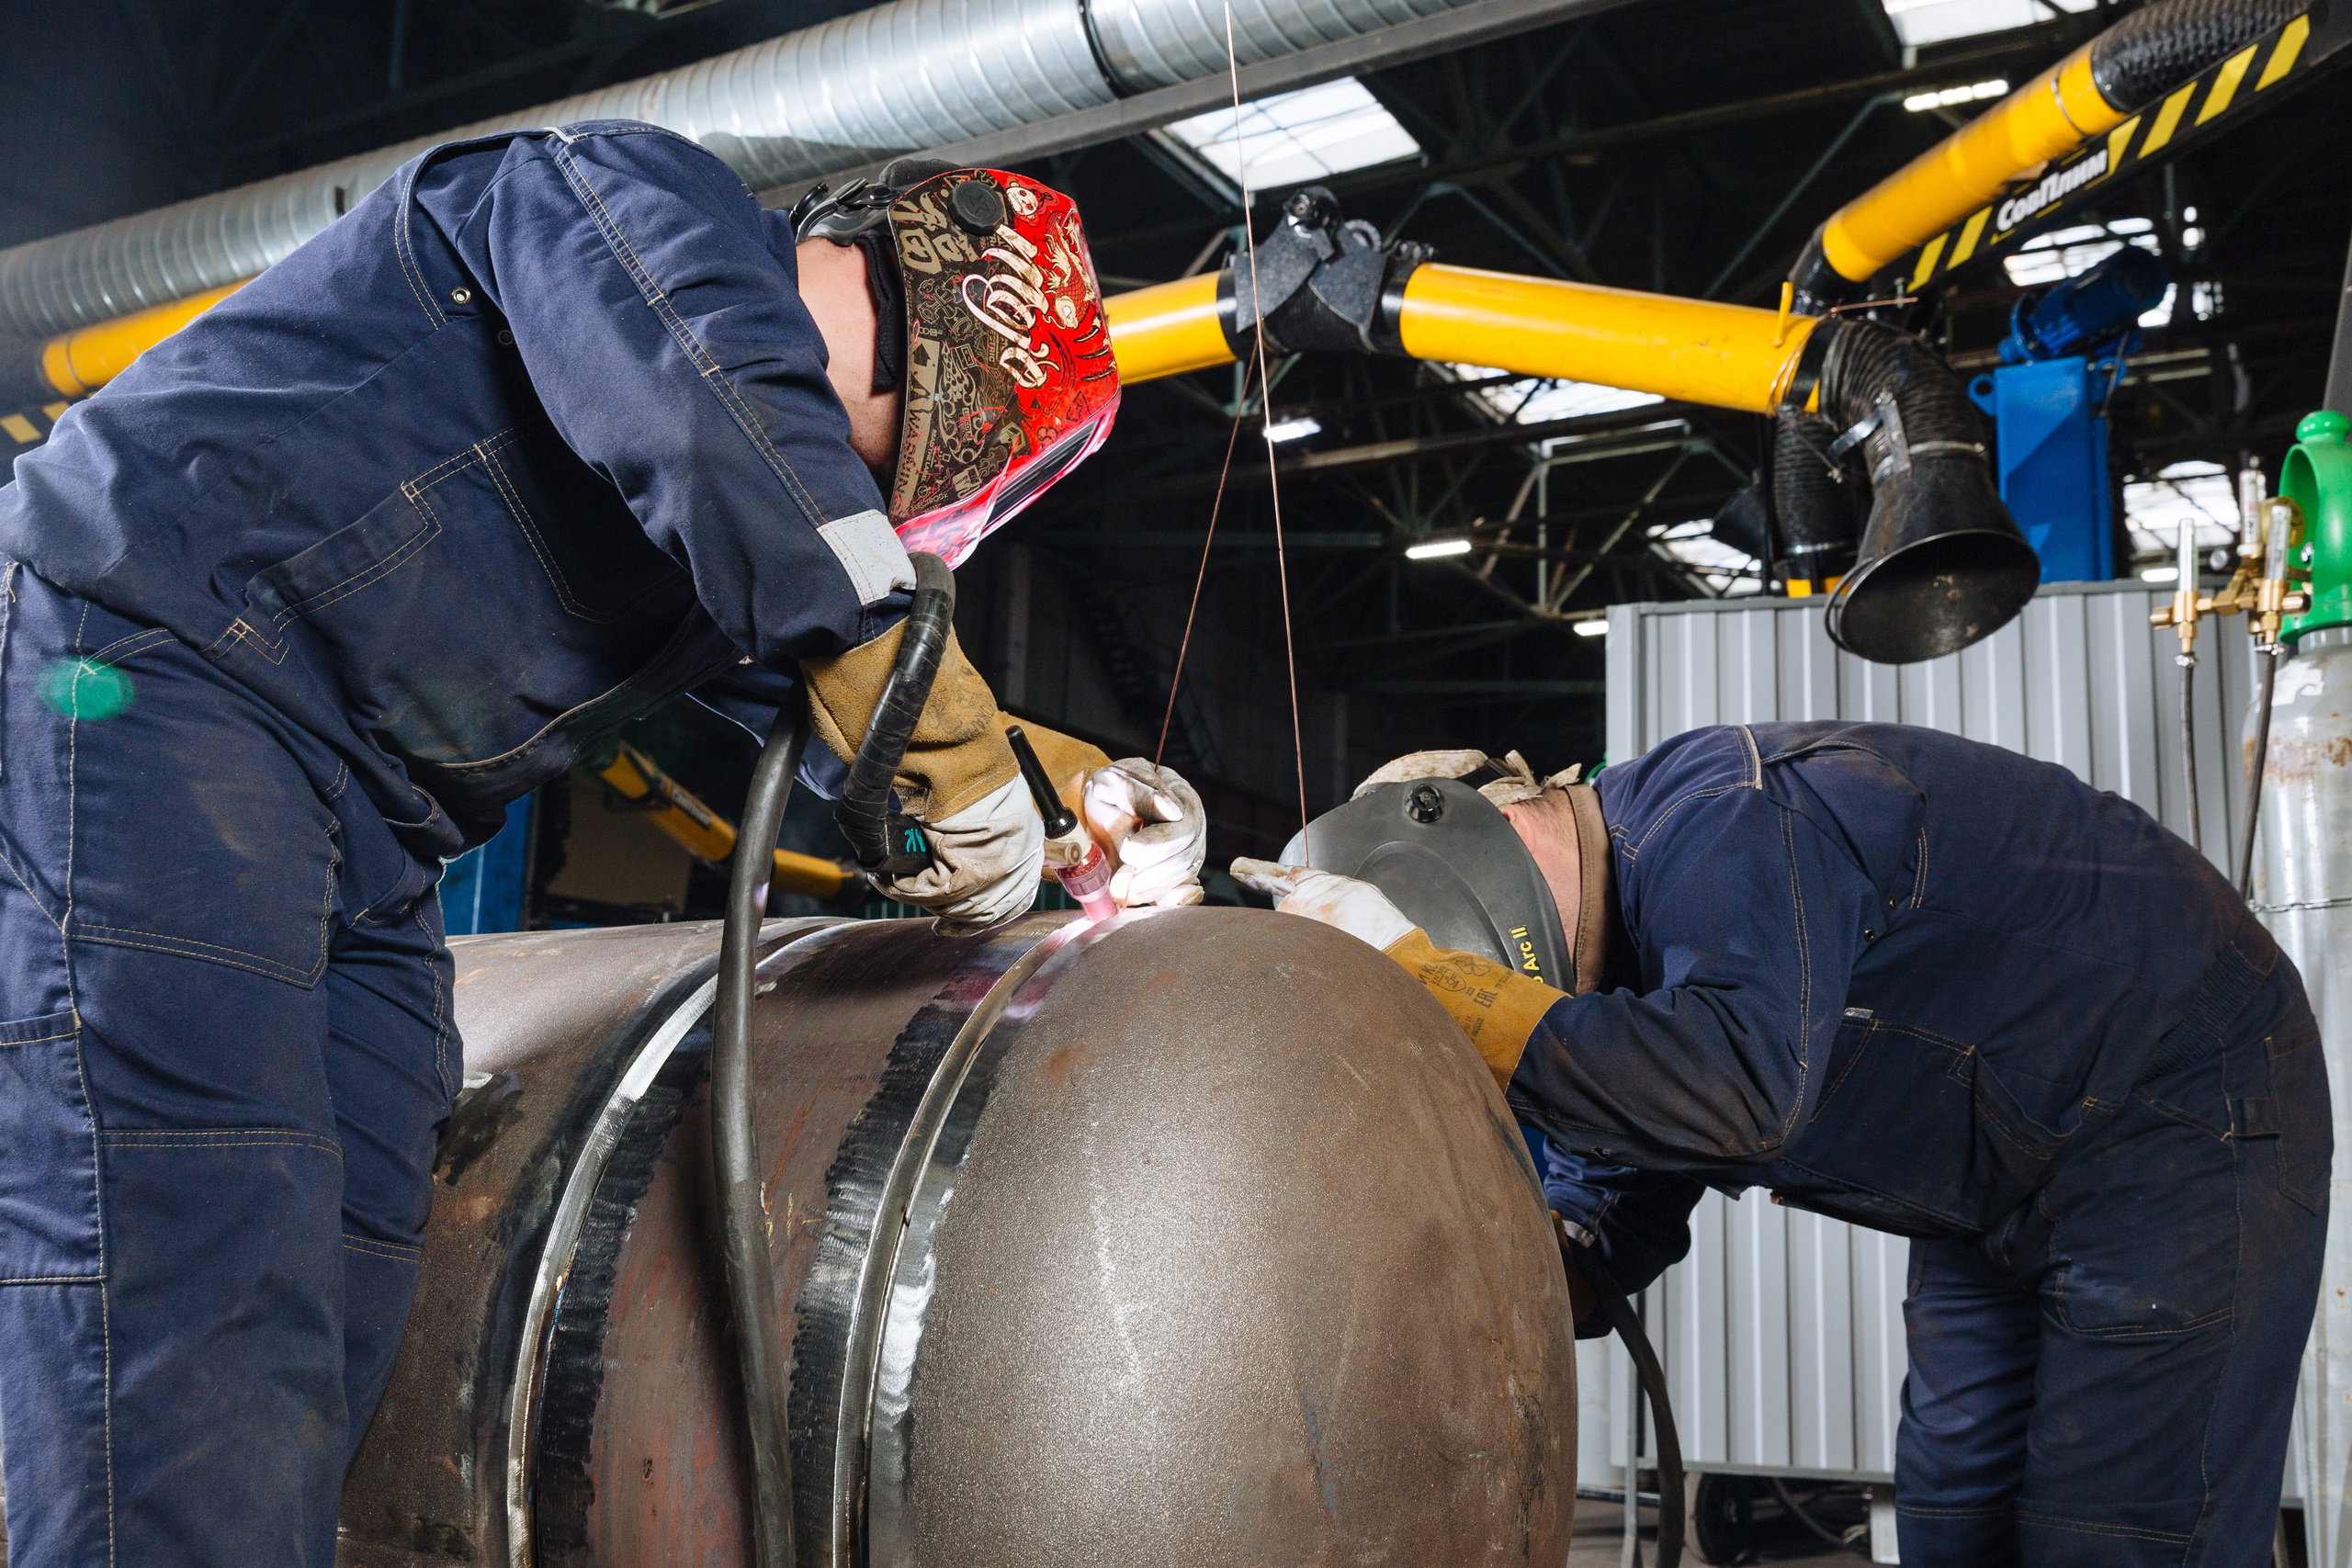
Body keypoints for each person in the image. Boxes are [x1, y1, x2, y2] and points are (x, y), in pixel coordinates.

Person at [0, 124, 1203, 1566]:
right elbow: (720, 420)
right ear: (945, 394)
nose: (913, 536)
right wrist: (924, 716)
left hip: (364, 830)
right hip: (158, 667)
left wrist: (1077, 796)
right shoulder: (635, 205)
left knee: (352, 1241)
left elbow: (834, 711)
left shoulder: (730, 545)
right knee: (199, 1261)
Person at [1244, 722, 2325, 1566]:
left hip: (2177, 1108)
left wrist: (1438, 988)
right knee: (1955, 1512)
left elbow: (1736, 1089)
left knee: (2116, 1539)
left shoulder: (1719, 817)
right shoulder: (1625, 983)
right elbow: (1609, 1211)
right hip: (1999, 1189)